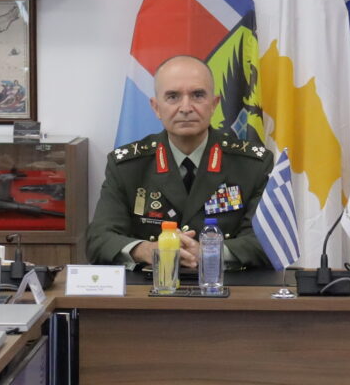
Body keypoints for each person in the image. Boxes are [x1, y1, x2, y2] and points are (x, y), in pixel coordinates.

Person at [86, 55, 274, 272]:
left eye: (198, 95)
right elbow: (99, 239)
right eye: (173, 96)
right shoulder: (127, 166)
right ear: (156, 107)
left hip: (226, 286)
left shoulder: (252, 165)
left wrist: (210, 252)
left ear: (214, 104)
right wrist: (146, 250)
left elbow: (269, 240)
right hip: (151, 287)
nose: (186, 107)